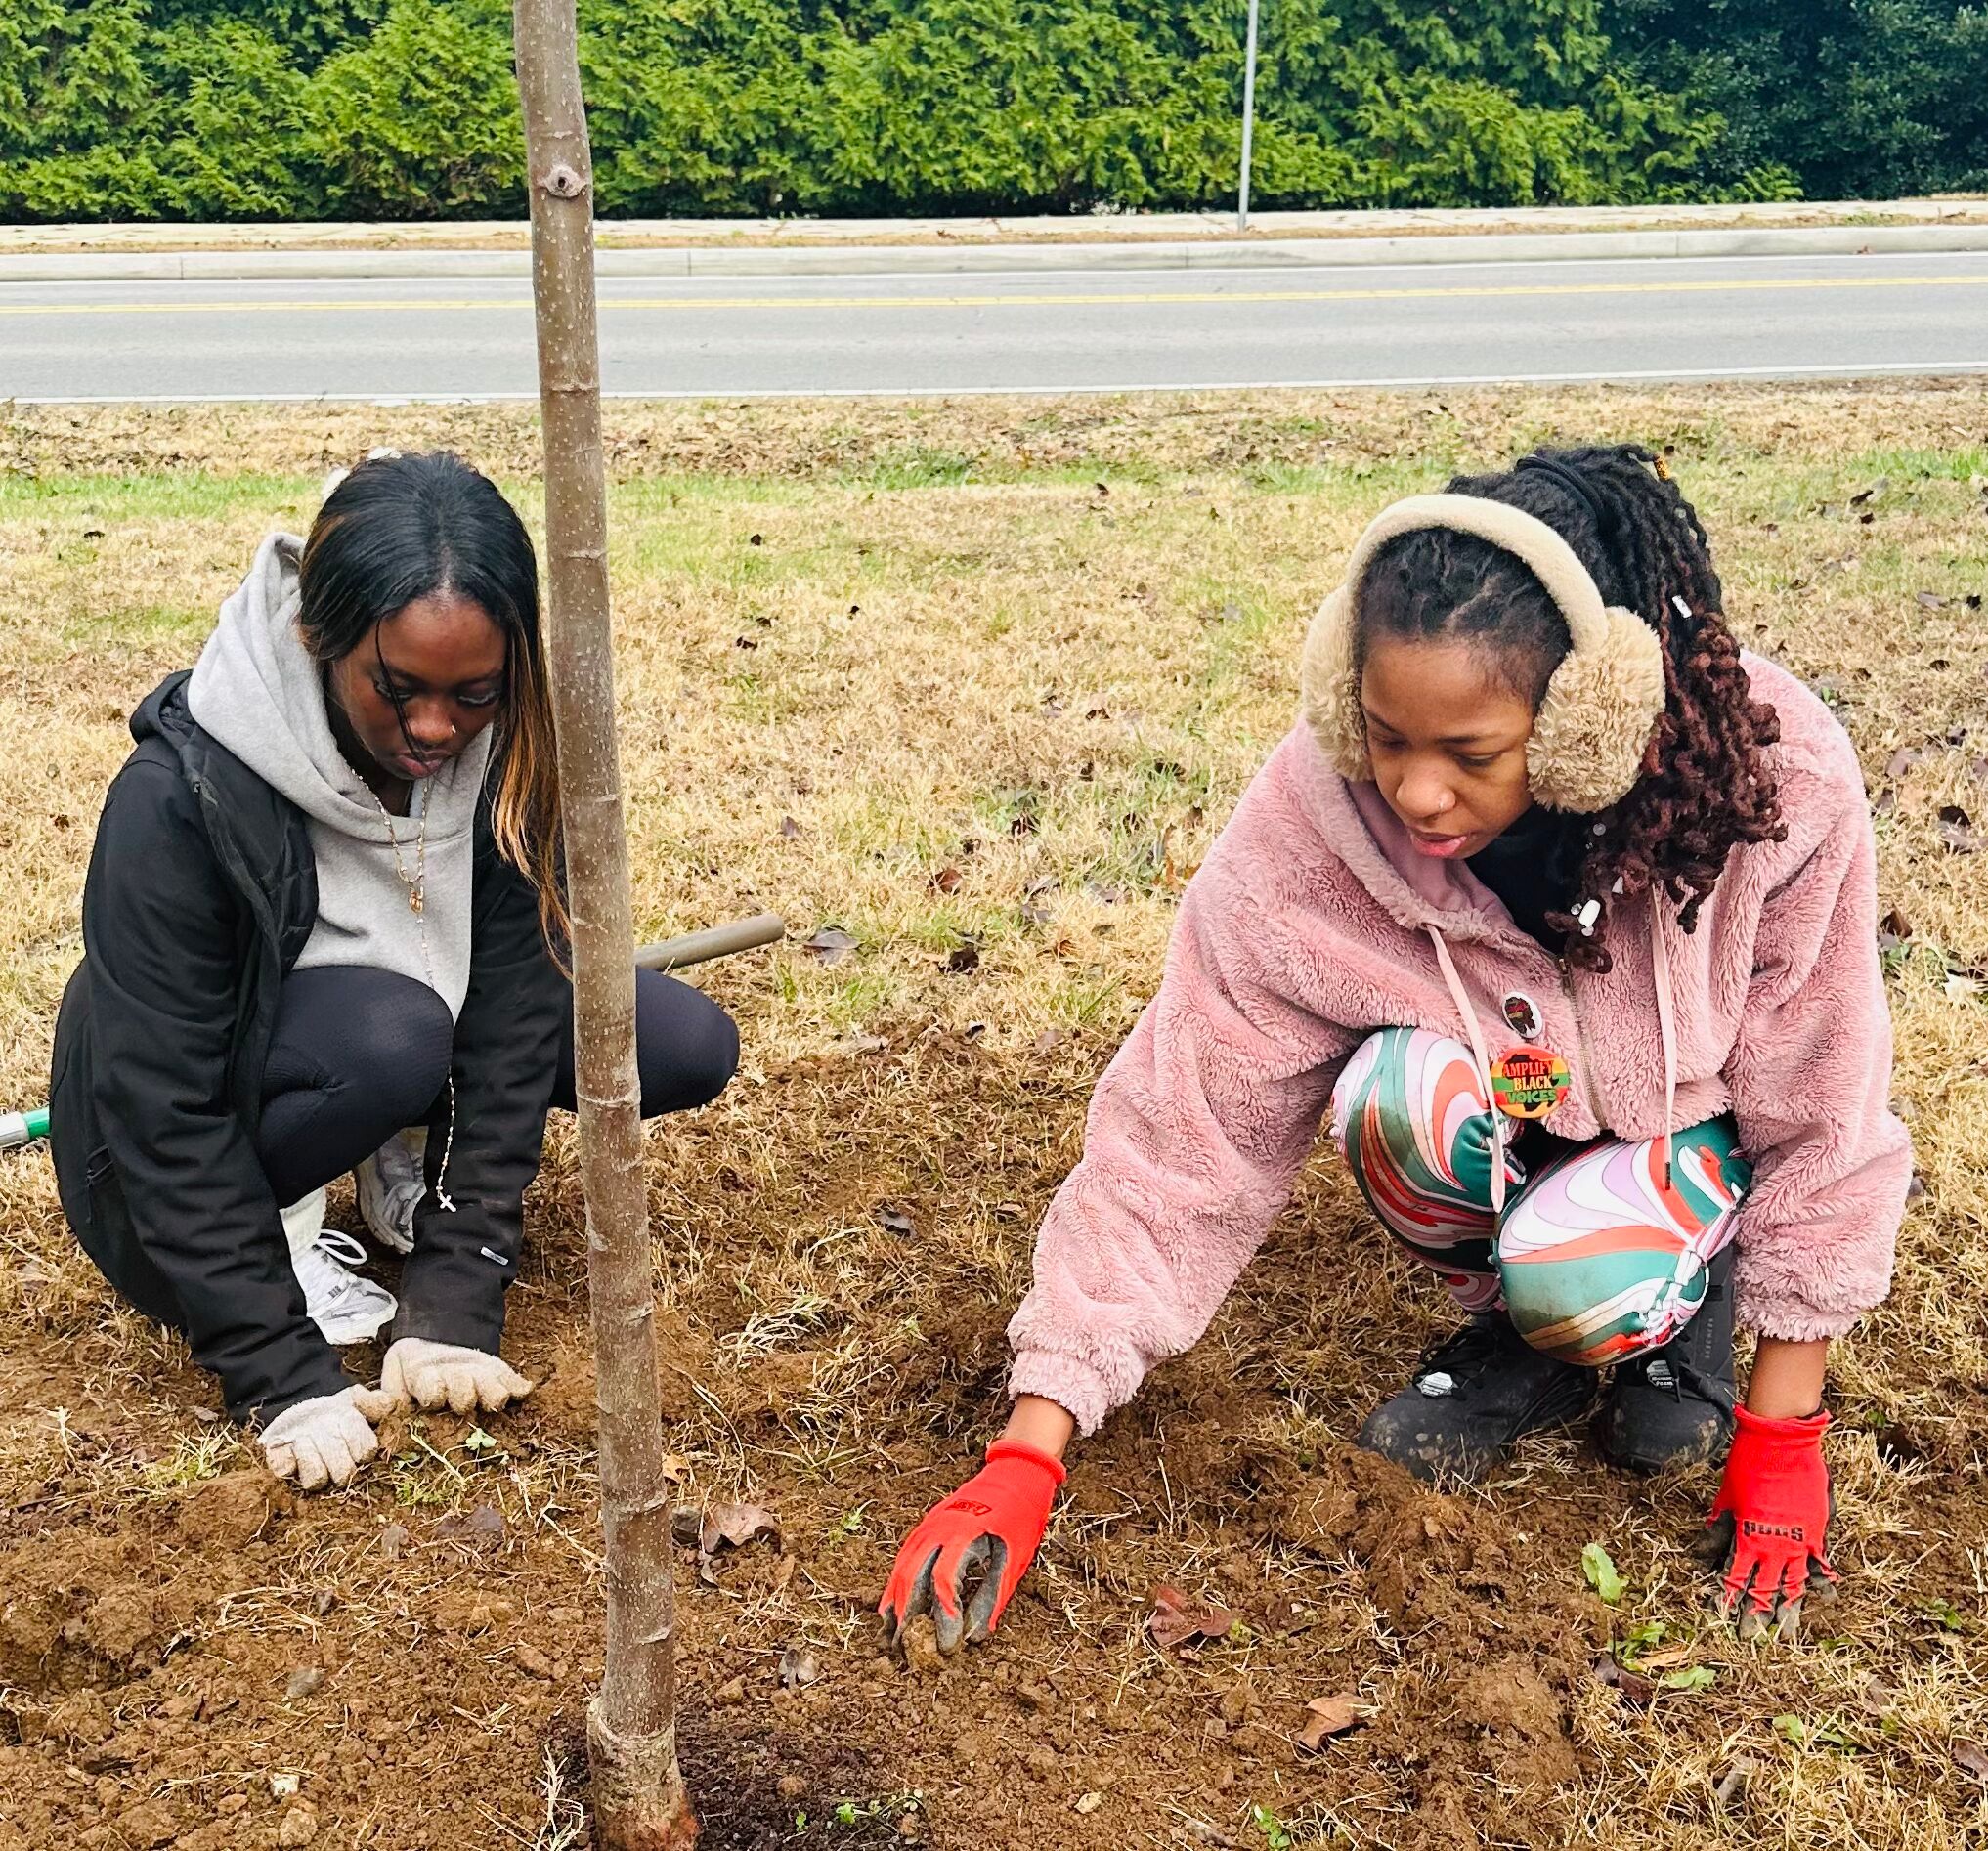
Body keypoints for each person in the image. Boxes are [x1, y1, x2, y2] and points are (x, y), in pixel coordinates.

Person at [881, 446, 1908, 1653]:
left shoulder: (1770, 785)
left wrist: (1783, 1434)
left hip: (1690, 1137)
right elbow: (1184, 1127)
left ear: (1585, 718)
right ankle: (1523, 1338)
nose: (1417, 793)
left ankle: (1682, 1311)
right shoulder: (1311, 828)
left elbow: (1823, 1100)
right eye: (1386, 737)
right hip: (1504, 1113)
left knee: (1591, 1277)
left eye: (1471, 754)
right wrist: (1028, 1448)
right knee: (1393, 1097)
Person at [50, 451, 739, 1490]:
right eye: (397, 687)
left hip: (384, 1020)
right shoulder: (177, 797)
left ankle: (396, 1154)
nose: (433, 728)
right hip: (149, 1154)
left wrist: (455, 1299)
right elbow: (161, 1107)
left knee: (677, 1042)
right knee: (396, 1038)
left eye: (474, 693)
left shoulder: (507, 752)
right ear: (317, 636)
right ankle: (287, 1226)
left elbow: (510, 1022)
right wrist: (279, 1372)